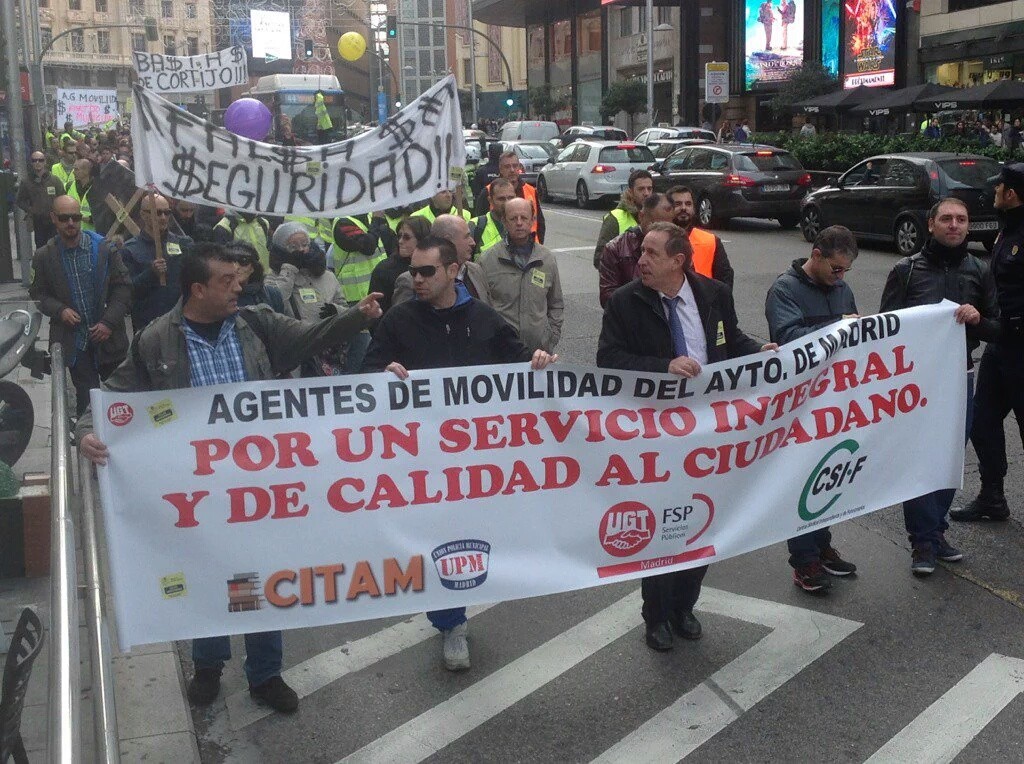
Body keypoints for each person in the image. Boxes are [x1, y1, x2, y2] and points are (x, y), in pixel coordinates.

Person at [77, 243, 384, 714]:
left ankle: (265, 674)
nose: (239, 285)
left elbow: (311, 336)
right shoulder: (158, 339)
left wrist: (356, 317)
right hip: (200, 491)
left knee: (262, 574)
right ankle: (208, 666)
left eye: (239, 279)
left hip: (258, 487)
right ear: (197, 288)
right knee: (207, 575)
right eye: (226, 280)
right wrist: (85, 432)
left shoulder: (256, 325)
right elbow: (114, 396)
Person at [363, 235, 557, 671]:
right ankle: (451, 623)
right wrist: (383, 372)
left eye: (427, 271)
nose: (417, 279)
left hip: (474, 461)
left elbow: (521, 362)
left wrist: (539, 360)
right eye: (413, 271)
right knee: (435, 536)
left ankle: (458, 606)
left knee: (467, 535)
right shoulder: (399, 320)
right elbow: (368, 372)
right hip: (419, 459)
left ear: (453, 272)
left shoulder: (483, 319)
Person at [597, 222, 776, 650]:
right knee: (662, 524)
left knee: (704, 518)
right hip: (656, 433)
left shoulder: (713, 294)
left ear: (678, 261)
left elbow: (729, 340)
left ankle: (684, 605)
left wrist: (761, 352)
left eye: (652, 254)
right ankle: (656, 615)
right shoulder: (626, 301)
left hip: (710, 428)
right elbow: (609, 358)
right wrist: (663, 367)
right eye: (641, 251)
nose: (640, 260)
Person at [878, 199, 1000, 571]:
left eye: (961, 220)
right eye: (946, 218)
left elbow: (997, 328)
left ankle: (935, 530)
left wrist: (978, 319)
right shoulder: (906, 270)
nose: (954, 225)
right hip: (914, 383)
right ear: (930, 225)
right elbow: (885, 328)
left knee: (948, 458)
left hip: (959, 378)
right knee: (918, 459)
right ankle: (923, 543)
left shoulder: (980, 270)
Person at [765, 226, 860, 592]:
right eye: (836, 269)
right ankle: (804, 560)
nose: (841, 277)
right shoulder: (785, 289)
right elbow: (787, 339)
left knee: (829, 472)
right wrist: (839, 327)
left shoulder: (841, 287)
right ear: (816, 255)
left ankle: (821, 546)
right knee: (801, 477)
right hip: (800, 402)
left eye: (846, 272)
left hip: (834, 398)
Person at [952, 164, 1024, 523]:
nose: (994, 190)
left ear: (1010, 194)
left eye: (999, 187)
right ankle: (992, 497)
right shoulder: (1006, 230)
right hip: (1001, 347)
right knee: (982, 421)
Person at [29, 196, 131, 416]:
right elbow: (38, 294)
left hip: (109, 338)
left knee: (122, 398)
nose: (71, 223)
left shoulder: (103, 249)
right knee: (87, 399)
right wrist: (59, 310)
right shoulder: (44, 256)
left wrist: (108, 322)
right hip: (75, 341)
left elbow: (123, 288)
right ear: (53, 219)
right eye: (64, 218)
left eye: (75, 217)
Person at [480, 198, 563, 352]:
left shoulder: (547, 259)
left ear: (533, 220)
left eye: (524, 218)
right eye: (513, 218)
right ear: (504, 221)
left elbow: (556, 303)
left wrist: (551, 337)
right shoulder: (487, 260)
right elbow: (481, 308)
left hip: (539, 352)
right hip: (501, 352)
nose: (519, 223)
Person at [267, 221, 349, 375]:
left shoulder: (328, 276)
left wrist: (335, 310)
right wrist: (290, 268)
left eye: (304, 244)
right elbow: (275, 301)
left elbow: (345, 308)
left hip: (327, 352)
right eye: (293, 247)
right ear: (281, 249)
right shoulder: (272, 279)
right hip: (295, 353)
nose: (301, 250)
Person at [331, 211, 396, 371]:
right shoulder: (343, 222)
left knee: (380, 349)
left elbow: (389, 245)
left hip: (378, 294)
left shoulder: (370, 218)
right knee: (360, 351)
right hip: (354, 300)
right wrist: (376, 222)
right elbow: (367, 246)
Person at [122, 193, 195, 332]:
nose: (163, 217)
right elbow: (128, 291)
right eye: (158, 213)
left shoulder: (184, 244)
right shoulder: (130, 250)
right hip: (147, 326)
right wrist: (151, 273)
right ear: (143, 215)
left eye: (167, 213)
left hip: (180, 324)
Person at [598, 192, 676, 307]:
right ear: (641, 216)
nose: (661, 230)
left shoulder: (678, 247)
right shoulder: (615, 248)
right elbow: (607, 297)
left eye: (667, 225)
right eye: (655, 223)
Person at [394, 214, 490, 306]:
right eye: (466, 237)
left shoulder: (476, 270)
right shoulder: (409, 282)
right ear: (448, 240)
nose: (472, 242)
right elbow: (402, 319)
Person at [665, 186, 735, 288]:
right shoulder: (658, 240)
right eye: (678, 204)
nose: (684, 208)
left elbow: (725, 280)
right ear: (668, 209)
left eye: (688, 204)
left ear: (693, 208)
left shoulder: (711, 241)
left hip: (704, 301)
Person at [472, 151, 546, 243]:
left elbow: (540, 224)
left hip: (530, 249)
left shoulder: (530, 190)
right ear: (500, 169)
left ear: (519, 167)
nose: (512, 170)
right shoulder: (488, 191)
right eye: (507, 167)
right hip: (498, 249)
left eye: (515, 166)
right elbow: (479, 223)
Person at [369, 215, 430, 314]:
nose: (400, 241)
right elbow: (375, 313)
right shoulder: (384, 270)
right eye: (399, 236)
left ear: (422, 239)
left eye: (406, 237)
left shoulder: (433, 266)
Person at [594, 170, 654, 268]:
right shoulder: (615, 218)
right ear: (631, 191)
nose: (646, 193)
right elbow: (600, 258)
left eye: (649, 189)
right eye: (641, 189)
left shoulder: (657, 215)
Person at [87, 136, 138, 236]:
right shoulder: (100, 174)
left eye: (107, 153)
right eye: (103, 154)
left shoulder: (130, 184)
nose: (105, 156)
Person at [16, 151, 65, 248]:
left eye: (40, 160)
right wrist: (31, 210)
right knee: (41, 248)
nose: (37, 163)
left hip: (54, 222)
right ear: (31, 163)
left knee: (56, 247)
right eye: (34, 160)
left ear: (45, 162)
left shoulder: (54, 180)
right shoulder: (26, 182)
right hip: (38, 223)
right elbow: (20, 200)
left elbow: (62, 197)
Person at [230, 241, 286, 314]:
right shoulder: (218, 296)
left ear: (253, 267)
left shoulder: (271, 294)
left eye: (243, 261)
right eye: (230, 261)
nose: (236, 267)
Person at [471, 178, 516, 254]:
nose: (507, 203)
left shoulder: (522, 225)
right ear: (490, 200)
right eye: (501, 199)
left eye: (511, 198)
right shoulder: (475, 226)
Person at [65, 159, 95, 232]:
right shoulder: (69, 186)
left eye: (76, 169)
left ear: (86, 171)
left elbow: (102, 215)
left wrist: (89, 219)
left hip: (92, 234)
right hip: (73, 232)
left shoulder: (97, 188)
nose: (73, 172)